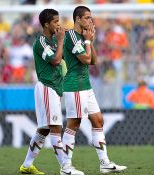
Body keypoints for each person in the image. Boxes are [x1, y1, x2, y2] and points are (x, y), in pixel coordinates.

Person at [61, 6, 127, 175]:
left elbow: (93, 61)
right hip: (74, 86)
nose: (91, 21)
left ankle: (104, 163)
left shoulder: (82, 37)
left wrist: (90, 40)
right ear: (77, 19)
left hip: (86, 86)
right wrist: (88, 41)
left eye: (91, 18)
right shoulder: (71, 36)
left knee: (98, 120)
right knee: (73, 124)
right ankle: (66, 167)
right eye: (87, 18)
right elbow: (85, 58)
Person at [19, 9, 66, 174]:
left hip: (55, 87)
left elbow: (64, 57)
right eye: (55, 22)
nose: (58, 24)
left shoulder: (53, 40)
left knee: (44, 129)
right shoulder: (41, 42)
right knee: (55, 128)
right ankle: (66, 167)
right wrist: (61, 41)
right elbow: (55, 60)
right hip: (47, 87)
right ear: (46, 24)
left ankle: (26, 165)